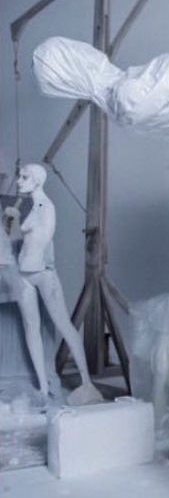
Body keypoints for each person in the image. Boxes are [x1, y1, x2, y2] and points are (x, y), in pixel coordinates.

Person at [10, 164, 102, 405]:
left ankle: (87, 383)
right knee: (31, 327)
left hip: (43, 273)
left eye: (24, 177)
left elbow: (41, 240)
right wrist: (14, 223)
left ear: (37, 180)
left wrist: (20, 226)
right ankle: (43, 388)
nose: (19, 181)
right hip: (23, 274)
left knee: (64, 325)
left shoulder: (47, 207)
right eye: (19, 177)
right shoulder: (33, 207)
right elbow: (15, 235)